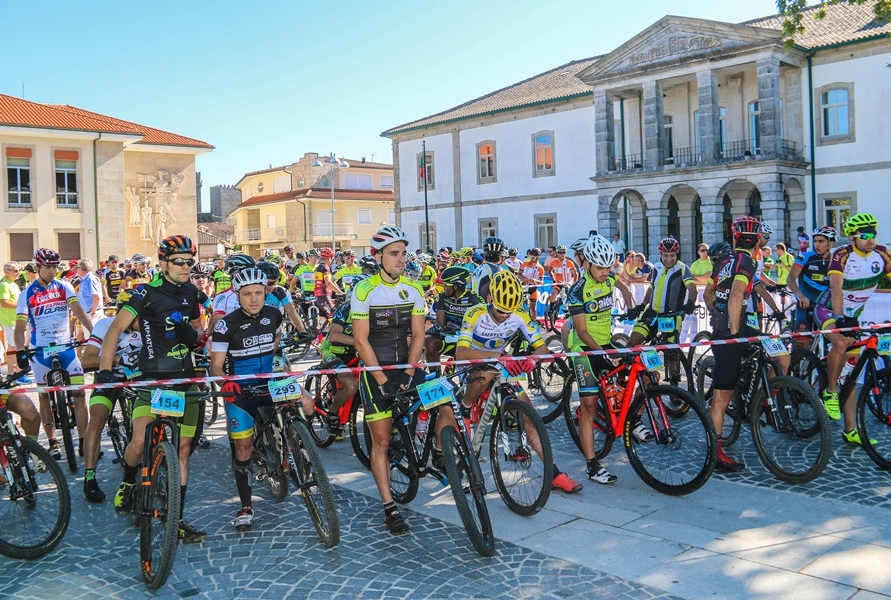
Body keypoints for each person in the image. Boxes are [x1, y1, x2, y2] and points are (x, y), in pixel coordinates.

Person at [96, 235, 210, 543]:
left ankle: (178, 518)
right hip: (153, 379)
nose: (187, 267)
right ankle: (130, 481)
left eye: (191, 262)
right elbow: (115, 330)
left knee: (183, 451)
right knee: (140, 440)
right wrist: (105, 371)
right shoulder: (144, 293)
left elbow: (199, 330)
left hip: (186, 379)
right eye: (180, 262)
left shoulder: (191, 292)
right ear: (163, 264)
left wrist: (195, 336)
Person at [457, 269, 583, 493]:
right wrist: (498, 357)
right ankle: (466, 406)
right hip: (473, 361)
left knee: (529, 415)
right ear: (489, 299)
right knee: (485, 375)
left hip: (500, 364)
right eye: (500, 310)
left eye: (509, 311)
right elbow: (461, 353)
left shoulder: (520, 315)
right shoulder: (474, 313)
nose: (505, 316)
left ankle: (554, 473)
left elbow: (542, 348)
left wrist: (530, 361)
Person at [210, 267, 313, 531]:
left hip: (270, 380)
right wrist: (226, 382)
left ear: (265, 292)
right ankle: (245, 505)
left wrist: (277, 363)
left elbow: (275, 340)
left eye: (259, 293)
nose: (254, 299)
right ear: (238, 295)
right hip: (240, 390)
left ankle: (300, 450)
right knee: (243, 450)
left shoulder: (273, 313)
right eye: (247, 294)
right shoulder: (226, 325)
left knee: (308, 402)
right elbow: (216, 366)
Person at [351, 226, 427, 535]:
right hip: (376, 370)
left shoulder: (414, 288)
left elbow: (419, 334)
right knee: (381, 441)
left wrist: (409, 373)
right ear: (378, 256)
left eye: (402, 253)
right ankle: (389, 508)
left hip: (406, 366)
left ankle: (444, 450)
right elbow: (360, 341)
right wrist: (382, 379)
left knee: (445, 403)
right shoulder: (364, 290)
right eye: (393, 254)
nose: (401, 259)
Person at [812, 214, 891, 441]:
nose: (870, 240)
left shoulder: (882, 254)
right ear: (853, 237)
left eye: (873, 235)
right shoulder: (842, 255)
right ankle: (830, 392)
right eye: (865, 236)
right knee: (841, 341)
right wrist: (839, 317)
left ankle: (850, 430)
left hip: (854, 315)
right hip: (829, 308)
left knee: (852, 374)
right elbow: (836, 288)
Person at [566, 235, 637, 484]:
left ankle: (631, 419)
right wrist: (603, 353)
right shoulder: (577, 292)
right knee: (589, 406)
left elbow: (625, 288)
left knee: (633, 370)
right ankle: (592, 466)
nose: (605, 272)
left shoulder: (608, 278)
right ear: (587, 264)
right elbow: (582, 332)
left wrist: (631, 307)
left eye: (609, 267)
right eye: (600, 268)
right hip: (584, 349)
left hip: (604, 341)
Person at [15, 248, 94, 460]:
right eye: (48, 267)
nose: (52, 271)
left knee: (78, 393)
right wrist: (21, 350)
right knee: (44, 396)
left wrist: (95, 335)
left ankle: (83, 440)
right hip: (40, 350)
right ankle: (52, 441)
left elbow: (79, 312)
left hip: (66, 348)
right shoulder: (27, 293)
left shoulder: (64, 286)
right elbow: (20, 326)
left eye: (55, 267)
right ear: (38, 267)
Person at [703, 216, 762, 472]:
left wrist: (716, 313)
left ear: (735, 237)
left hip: (725, 327)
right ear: (757, 239)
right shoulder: (747, 261)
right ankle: (715, 453)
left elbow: (707, 293)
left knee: (769, 352)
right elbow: (737, 294)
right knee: (721, 396)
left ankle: (751, 396)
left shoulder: (723, 259)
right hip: (732, 331)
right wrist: (734, 331)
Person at [80, 292, 143, 502]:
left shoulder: (146, 326)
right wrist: (116, 359)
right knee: (97, 418)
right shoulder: (104, 325)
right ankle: (89, 477)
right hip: (107, 379)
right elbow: (87, 360)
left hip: (135, 381)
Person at [627, 237, 698, 378]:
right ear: (660, 255)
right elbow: (651, 289)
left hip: (672, 315)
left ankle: (674, 382)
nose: (669, 259)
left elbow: (692, 288)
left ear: (677, 254)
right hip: (652, 312)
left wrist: (691, 302)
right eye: (665, 255)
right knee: (634, 340)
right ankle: (631, 373)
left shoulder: (683, 269)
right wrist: (641, 306)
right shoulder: (656, 268)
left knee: (672, 352)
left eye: (672, 255)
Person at [424, 266, 484, 367]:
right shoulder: (442, 297)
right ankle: (435, 377)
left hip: (469, 341)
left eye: (446, 284)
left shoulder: (474, 300)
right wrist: (437, 328)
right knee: (429, 340)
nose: (443, 287)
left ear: (456, 286)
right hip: (449, 338)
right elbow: (440, 323)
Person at [788, 226, 836, 345]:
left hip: (827, 307)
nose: (817, 245)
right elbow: (790, 278)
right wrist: (799, 295)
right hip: (806, 305)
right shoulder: (805, 257)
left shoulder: (837, 260)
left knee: (833, 343)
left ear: (831, 243)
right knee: (802, 344)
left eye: (821, 241)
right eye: (815, 241)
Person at [0, 262, 23, 379]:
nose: (18, 272)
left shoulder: (13, 284)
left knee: (14, 346)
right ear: (6, 271)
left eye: (19, 270)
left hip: (16, 320)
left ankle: (14, 372)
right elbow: (4, 303)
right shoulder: (4, 285)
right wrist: (20, 305)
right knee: (15, 346)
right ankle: (15, 373)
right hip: (9, 321)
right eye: (15, 270)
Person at [314, 248, 343, 319]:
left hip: (320, 296)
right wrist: (341, 293)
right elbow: (329, 282)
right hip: (324, 296)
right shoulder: (324, 267)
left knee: (325, 319)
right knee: (335, 317)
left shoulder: (319, 267)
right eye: (331, 258)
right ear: (329, 258)